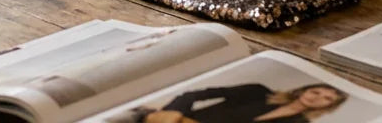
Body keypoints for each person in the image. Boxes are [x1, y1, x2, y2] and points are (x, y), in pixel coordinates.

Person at [143, 82, 348, 123]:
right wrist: (173, 114)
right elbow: (193, 96)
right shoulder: (258, 91)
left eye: (327, 99)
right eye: (316, 91)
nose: (318, 97)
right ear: (304, 90)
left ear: (328, 106)